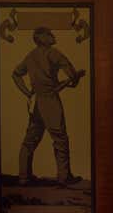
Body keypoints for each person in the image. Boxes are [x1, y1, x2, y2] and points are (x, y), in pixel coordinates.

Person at [13, 26, 84, 186]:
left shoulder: (30, 55)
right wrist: (75, 78)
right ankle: (64, 177)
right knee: (60, 138)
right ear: (41, 38)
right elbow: (72, 76)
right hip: (50, 101)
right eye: (49, 34)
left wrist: (28, 93)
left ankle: (24, 177)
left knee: (30, 139)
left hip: (36, 102)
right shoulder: (54, 53)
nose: (53, 35)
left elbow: (16, 74)